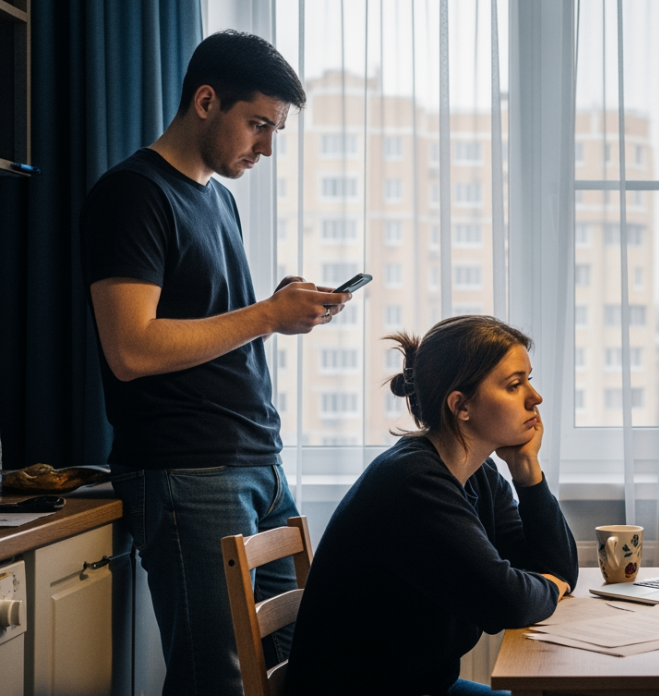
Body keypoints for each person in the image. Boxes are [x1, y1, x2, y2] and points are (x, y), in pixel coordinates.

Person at [81, 31, 346, 696]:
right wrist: (268, 315)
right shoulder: (132, 194)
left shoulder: (218, 199)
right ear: (206, 101)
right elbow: (131, 349)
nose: (266, 148)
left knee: (303, 663)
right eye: (258, 125)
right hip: (188, 470)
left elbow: (205, 326)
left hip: (258, 461)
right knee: (215, 680)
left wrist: (277, 308)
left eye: (275, 130)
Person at [288, 315, 579, 696]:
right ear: (461, 406)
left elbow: (557, 570)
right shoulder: (414, 483)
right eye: (514, 384)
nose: (535, 397)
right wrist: (551, 587)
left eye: (529, 379)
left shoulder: (477, 472)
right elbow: (506, 602)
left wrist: (528, 472)